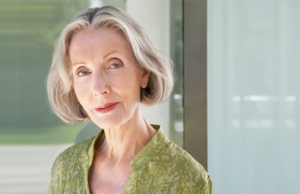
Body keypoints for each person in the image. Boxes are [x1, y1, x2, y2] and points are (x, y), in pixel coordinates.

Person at [47, 6, 212, 194]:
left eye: (114, 64)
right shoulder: (64, 168)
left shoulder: (186, 177)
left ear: (143, 72)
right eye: (83, 71)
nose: (99, 89)